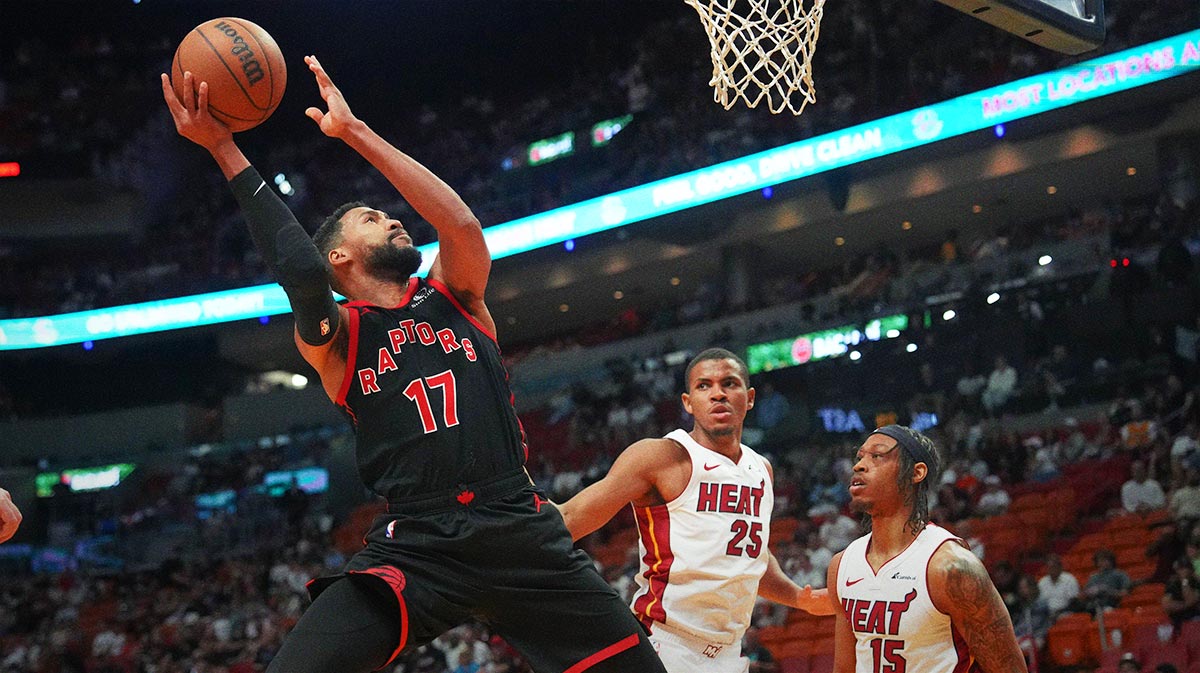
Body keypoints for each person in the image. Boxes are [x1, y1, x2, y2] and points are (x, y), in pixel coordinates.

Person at [161, 59, 667, 673]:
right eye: (372, 219)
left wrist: (356, 133)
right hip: (418, 544)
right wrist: (224, 149)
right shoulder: (338, 339)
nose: (394, 217)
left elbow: (460, 222)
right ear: (340, 258)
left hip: (517, 528)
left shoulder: (456, 294)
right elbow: (299, 271)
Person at [558, 348, 831, 673]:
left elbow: (750, 557)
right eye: (705, 385)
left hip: (728, 653)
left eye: (729, 383)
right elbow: (571, 518)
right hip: (662, 645)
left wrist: (799, 597)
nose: (718, 393)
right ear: (688, 402)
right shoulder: (660, 456)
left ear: (750, 397)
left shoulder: (761, 469)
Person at [827, 425, 1028, 673]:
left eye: (877, 456)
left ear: (916, 472)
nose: (859, 465)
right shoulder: (842, 565)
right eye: (860, 457)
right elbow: (844, 669)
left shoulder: (950, 566)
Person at [1037, 554, 1081, 618]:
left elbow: (1074, 603)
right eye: (1049, 567)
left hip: (1065, 614)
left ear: (1060, 567)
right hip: (1046, 615)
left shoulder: (1069, 579)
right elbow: (1039, 602)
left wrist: (1059, 612)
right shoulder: (1042, 582)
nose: (1051, 569)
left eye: (1053, 567)